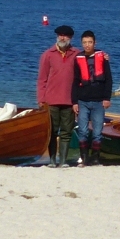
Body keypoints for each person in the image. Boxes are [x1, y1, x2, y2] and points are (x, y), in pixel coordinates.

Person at [36, 25, 78, 167]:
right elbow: (42, 79)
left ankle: (64, 161)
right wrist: (41, 99)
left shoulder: (77, 54)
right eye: (60, 35)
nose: (62, 37)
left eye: (65, 35)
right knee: (52, 131)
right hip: (51, 101)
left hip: (70, 101)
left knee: (67, 131)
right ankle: (52, 160)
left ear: (70, 37)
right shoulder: (48, 54)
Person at [71, 30, 112, 167]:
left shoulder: (103, 58)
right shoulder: (78, 59)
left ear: (95, 43)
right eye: (84, 42)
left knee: (97, 132)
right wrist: (74, 102)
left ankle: (95, 159)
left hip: (99, 101)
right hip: (82, 101)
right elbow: (75, 81)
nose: (87, 45)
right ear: (81, 43)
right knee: (82, 130)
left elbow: (109, 80)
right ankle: (84, 159)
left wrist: (107, 98)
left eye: (90, 42)